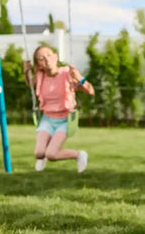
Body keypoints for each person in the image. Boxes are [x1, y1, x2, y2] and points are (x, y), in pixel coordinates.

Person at [23, 45, 95, 173]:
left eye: (49, 55)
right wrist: (25, 72)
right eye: (41, 58)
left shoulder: (67, 73)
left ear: (56, 57)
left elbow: (90, 91)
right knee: (39, 153)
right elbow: (30, 85)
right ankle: (42, 156)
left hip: (65, 120)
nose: (47, 60)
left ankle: (79, 155)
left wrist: (79, 78)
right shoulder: (40, 76)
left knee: (51, 154)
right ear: (39, 65)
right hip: (47, 119)